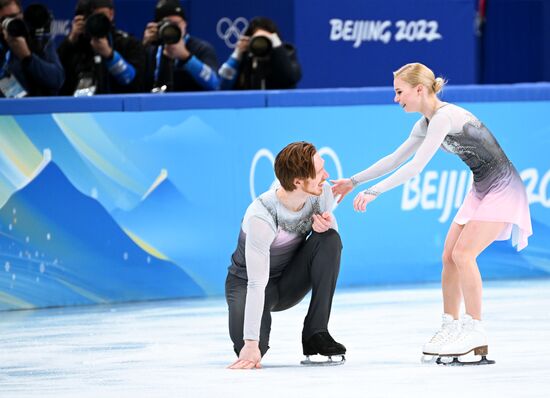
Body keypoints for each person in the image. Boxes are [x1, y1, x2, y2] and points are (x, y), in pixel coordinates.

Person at [332, 62, 532, 364]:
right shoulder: (425, 123)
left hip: (504, 187)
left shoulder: (443, 118)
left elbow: (415, 167)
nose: (396, 98)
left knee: (464, 254)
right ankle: (450, 326)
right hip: (482, 187)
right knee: (449, 256)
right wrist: (354, 181)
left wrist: (376, 191)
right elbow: (395, 158)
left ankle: (476, 330)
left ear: (420, 89)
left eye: (399, 92)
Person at [226, 141, 345, 369]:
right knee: (252, 351)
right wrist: (251, 342)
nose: (327, 176)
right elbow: (255, 283)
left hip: (289, 281)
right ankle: (253, 340)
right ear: (298, 181)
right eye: (320, 172)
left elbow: (331, 252)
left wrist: (329, 226)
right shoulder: (262, 216)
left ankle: (316, 333)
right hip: (246, 283)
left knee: (329, 239)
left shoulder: (321, 194)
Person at [57, 0, 145, 95]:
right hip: (77, 107)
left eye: (100, 15)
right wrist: (70, 40)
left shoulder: (127, 44)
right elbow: (55, 79)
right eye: (90, 17)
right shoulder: (74, 45)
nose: (95, 21)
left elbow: (133, 81)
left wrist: (110, 55)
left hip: (115, 106)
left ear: (111, 14)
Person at [142, 0, 219, 92]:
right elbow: (132, 83)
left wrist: (186, 57)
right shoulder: (150, 49)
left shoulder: (201, 48)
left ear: (185, 23)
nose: (171, 29)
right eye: (166, 24)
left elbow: (215, 84)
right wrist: (143, 46)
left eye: (176, 24)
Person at [0, 0, 64, 97]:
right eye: (4, 19)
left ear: (22, 15)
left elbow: (57, 79)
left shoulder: (38, 40)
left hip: (34, 107)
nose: (11, 22)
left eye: (14, 17)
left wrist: (27, 56)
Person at [219, 16, 301, 90]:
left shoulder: (286, 53)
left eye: (265, 39)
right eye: (257, 40)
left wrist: (276, 46)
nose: (261, 44)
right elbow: (222, 86)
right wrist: (236, 54)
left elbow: (291, 78)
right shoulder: (245, 58)